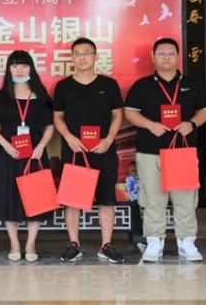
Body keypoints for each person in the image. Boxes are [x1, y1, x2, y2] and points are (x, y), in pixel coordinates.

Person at [124, 37, 206, 263]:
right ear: (153, 57)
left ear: (178, 57)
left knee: (185, 198)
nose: (166, 57)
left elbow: (205, 110)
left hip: (183, 151)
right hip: (149, 151)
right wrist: (150, 125)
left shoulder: (192, 85)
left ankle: (186, 242)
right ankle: (154, 241)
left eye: (171, 53)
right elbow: (130, 112)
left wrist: (191, 123)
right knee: (153, 198)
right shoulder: (142, 86)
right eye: (161, 53)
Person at [54, 37, 125, 263]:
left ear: (95, 56)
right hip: (75, 150)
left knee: (106, 199)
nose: (82, 57)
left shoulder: (109, 85)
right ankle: (74, 244)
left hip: (104, 150)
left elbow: (118, 114)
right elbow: (57, 117)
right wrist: (69, 137)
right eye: (77, 54)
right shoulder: (63, 86)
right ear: (72, 58)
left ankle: (106, 245)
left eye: (86, 53)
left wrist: (109, 139)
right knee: (72, 200)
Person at [0, 50, 54, 262]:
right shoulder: (1, 96)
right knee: (9, 197)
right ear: (9, 69)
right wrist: (6, 145)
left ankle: (31, 244)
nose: (19, 70)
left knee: (36, 198)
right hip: (9, 154)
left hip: (35, 154)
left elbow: (50, 126)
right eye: (15, 65)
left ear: (30, 68)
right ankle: (14, 243)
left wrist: (41, 146)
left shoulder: (41, 95)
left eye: (24, 65)